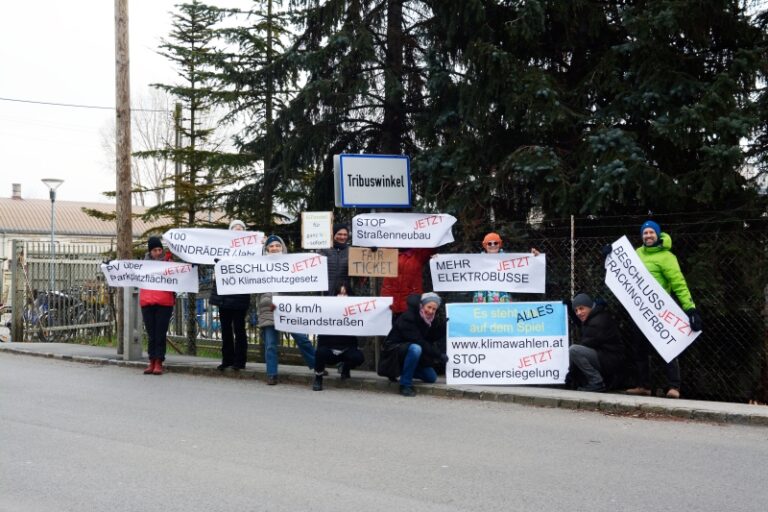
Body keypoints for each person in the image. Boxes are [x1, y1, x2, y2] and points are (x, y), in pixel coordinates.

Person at [624, 220, 702, 399]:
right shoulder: (636, 253)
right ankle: (643, 385)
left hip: (659, 311)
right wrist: (610, 255)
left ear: (657, 235)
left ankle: (673, 386)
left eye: (651, 232)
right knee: (640, 348)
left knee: (666, 347)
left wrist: (690, 309)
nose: (648, 236)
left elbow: (679, 284)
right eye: (645, 233)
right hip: (640, 310)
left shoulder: (667, 257)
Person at [256, 234, 316, 385]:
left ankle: (316, 366)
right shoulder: (259, 265)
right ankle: (271, 374)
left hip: (289, 307)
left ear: (283, 247)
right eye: (271, 246)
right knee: (270, 344)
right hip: (268, 308)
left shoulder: (292, 265)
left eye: (277, 245)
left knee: (302, 339)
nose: (275, 248)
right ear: (267, 249)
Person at [382, 292, 446, 397]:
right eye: (429, 307)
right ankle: (405, 385)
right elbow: (419, 341)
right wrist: (439, 355)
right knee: (416, 348)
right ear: (422, 305)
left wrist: (443, 328)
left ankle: (401, 371)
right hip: (395, 351)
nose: (430, 311)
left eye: (434, 309)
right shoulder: (409, 317)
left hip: (413, 353)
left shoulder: (430, 319)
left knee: (431, 378)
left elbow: (430, 338)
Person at [210, 220, 251, 371]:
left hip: (240, 295)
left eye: (241, 229)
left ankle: (240, 361)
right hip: (224, 295)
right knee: (225, 329)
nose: (238, 230)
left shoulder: (250, 249)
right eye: (234, 228)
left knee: (239, 329)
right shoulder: (222, 248)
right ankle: (227, 359)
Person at [567, 293, 628, 392]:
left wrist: (571, 372)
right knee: (576, 350)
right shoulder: (594, 316)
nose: (578, 313)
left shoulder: (597, 322)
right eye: (576, 310)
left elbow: (585, 344)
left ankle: (596, 382)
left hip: (610, 360)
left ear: (590, 307)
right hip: (607, 357)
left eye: (581, 308)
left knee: (574, 350)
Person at [311, 282, 365, 391]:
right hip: (330, 350)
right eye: (340, 294)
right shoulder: (326, 311)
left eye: (345, 294)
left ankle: (346, 368)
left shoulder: (355, 312)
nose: (342, 297)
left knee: (358, 357)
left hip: (346, 349)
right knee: (320, 353)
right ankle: (318, 378)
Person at [139, 236, 175, 376]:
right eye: (155, 250)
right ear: (150, 251)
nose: (158, 252)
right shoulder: (143, 264)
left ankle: (159, 361)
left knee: (160, 333)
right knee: (151, 334)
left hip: (164, 303)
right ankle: (151, 360)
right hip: (147, 302)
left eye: (160, 249)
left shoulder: (168, 263)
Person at [473, 232, 541, 303]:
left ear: (499, 244)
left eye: (496, 243)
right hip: (482, 297)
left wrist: (535, 258)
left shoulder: (508, 260)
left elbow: (524, 270)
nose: (493, 245)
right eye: (489, 243)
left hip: (502, 297)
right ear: (485, 245)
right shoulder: (478, 260)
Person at [381, 248, 436, 318]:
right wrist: (373, 251)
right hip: (389, 304)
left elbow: (432, 246)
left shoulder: (419, 254)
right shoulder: (386, 251)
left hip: (410, 305)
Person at [319, 223, 350, 296]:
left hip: (345, 292)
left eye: (345, 234)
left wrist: (372, 251)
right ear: (333, 235)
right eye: (339, 234)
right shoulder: (323, 250)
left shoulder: (351, 251)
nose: (342, 237)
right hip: (325, 292)